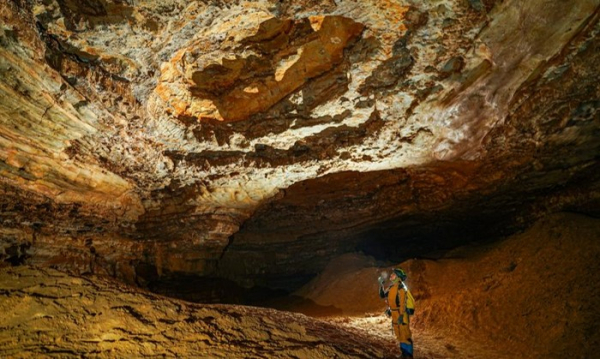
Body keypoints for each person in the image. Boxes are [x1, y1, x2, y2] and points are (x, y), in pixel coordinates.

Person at [379, 268, 414, 358]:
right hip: (395, 314)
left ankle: (409, 356)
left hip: (401, 314)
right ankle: (404, 354)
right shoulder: (391, 287)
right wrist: (381, 285)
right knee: (399, 334)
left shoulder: (400, 288)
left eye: (393, 274)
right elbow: (383, 295)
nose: (391, 275)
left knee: (405, 334)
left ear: (398, 277)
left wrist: (401, 315)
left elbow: (403, 303)